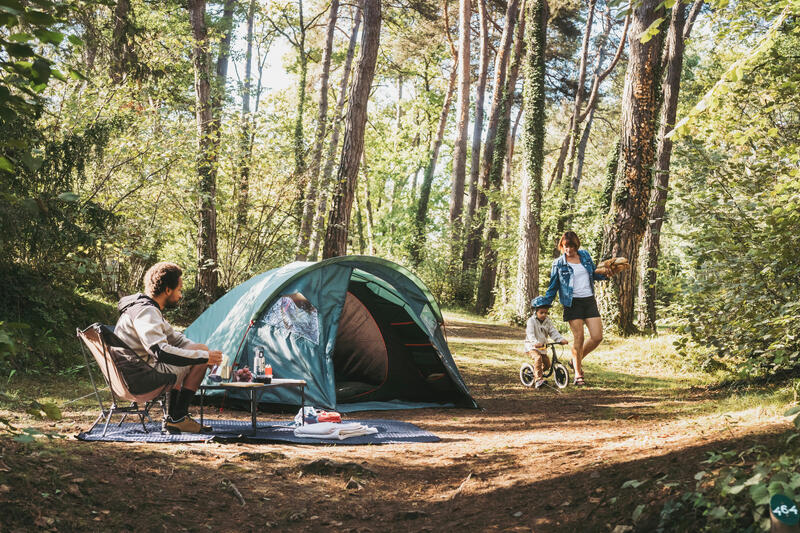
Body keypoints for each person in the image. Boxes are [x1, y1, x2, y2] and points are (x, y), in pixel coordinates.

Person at [115, 262, 223, 433]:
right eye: (179, 290)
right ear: (167, 290)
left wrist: (203, 352)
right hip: (140, 379)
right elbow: (160, 351)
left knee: (201, 350)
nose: (180, 295)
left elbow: (176, 339)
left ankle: (175, 418)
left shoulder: (146, 308)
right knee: (199, 358)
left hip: (138, 373)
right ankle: (178, 417)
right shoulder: (146, 312)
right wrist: (203, 357)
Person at [538, 231, 607, 387]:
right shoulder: (559, 263)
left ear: (577, 246)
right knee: (579, 338)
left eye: (572, 246)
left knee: (597, 337)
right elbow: (553, 286)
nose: (569, 249)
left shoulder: (585, 256)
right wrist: (544, 304)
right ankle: (577, 374)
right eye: (565, 246)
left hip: (589, 301)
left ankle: (575, 360)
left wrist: (606, 274)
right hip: (572, 303)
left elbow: (594, 274)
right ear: (562, 246)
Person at [525, 297, 569, 389]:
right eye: (541, 312)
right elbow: (530, 334)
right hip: (531, 346)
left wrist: (560, 339)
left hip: (542, 347)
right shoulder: (531, 321)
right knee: (537, 358)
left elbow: (553, 332)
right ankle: (538, 380)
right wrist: (535, 342)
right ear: (535, 312)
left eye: (546, 312)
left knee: (547, 364)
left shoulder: (547, 321)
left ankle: (535, 371)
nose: (544, 315)